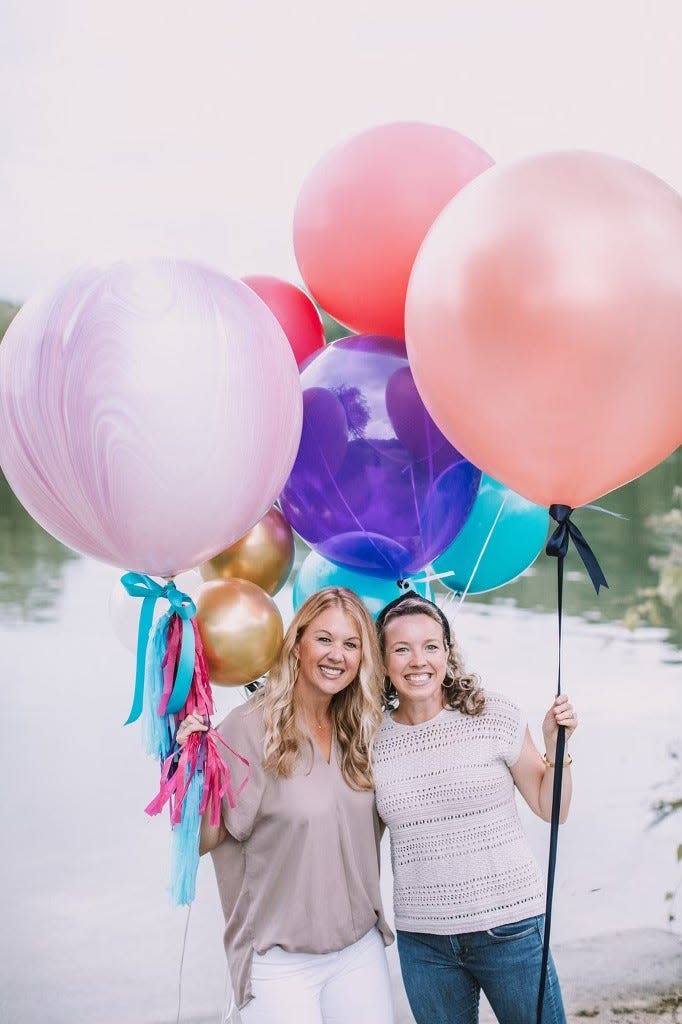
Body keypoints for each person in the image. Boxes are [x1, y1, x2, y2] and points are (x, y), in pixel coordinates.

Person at [177, 586, 395, 1024]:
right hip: (277, 963)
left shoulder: (362, 729)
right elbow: (200, 841)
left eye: (351, 644)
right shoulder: (248, 728)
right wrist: (187, 773)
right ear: (297, 643)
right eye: (324, 639)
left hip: (358, 951)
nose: (337, 655)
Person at [372, 592, 577, 1024]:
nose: (418, 661)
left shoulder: (492, 714)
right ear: (384, 662)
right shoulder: (370, 741)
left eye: (430, 646)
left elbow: (550, 807)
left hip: (512, 929)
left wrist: (556, 750)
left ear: (448, 652)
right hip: (423, 940)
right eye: (402, 649)